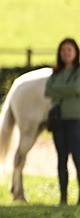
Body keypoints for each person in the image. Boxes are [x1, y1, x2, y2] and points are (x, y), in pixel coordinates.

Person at [45, 37, 80, 205]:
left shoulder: (78, 72)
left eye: (69, 50)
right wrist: (69, 91)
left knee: (78, 159)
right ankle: (63, 197)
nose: (66, 53)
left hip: (75, 120)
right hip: (59, 121)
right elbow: (48, 91)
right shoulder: (56, 73)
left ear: (76, 52)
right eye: (63, 50)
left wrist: (59, 90)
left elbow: (76, 88)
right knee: (61, 159)